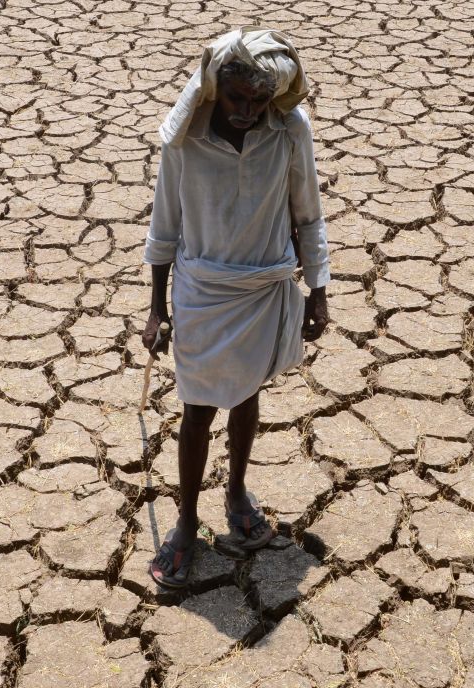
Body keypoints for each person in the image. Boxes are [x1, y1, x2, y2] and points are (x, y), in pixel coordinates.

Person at [140, 27, 331, 588]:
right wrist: (157, 308)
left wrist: (318, 292)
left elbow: (308, 215)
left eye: (259, 99)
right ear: (212, 90)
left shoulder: (290, 130)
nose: (247, 110)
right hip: (203, 289)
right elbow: (164, 227)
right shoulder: (186, 138)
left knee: (248, 391)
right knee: (198, 408)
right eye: (236, 98)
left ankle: (237, 490)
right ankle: (185, 522)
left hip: (264, 285)